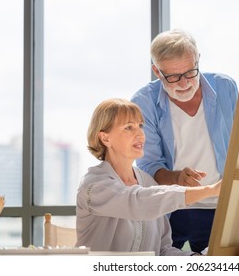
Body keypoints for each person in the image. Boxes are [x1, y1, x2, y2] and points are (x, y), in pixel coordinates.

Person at [131, 29, 238, 253]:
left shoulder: (225, 87)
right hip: (172, 207)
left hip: (220, 206)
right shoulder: (143, 102)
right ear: (157, 72)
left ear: (198, 59)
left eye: (190, 72)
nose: (184, 83)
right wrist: (177, 178)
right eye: (173, 77)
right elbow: (150, 165)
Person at [75, 98, 221, 256]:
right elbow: (138, 203)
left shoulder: (148, 182)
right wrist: (210, 190)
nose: (140, 134)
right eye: (129, 127)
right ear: (105, 138)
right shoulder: (94, 186)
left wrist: (197, 259)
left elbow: (162, 251)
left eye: (140, 126)